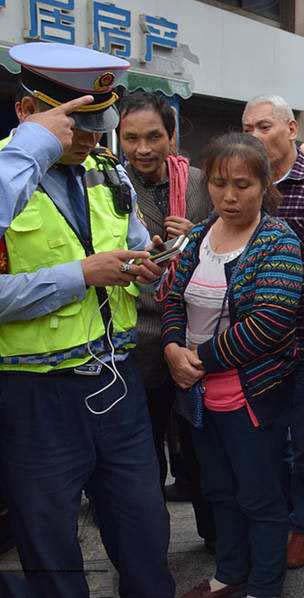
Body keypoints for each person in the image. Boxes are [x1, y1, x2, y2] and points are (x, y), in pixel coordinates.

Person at [0, 42, 174, 596]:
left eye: (100, 125)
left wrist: (144, 265)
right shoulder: (7, 175)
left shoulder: (106, 169)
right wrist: (81, 275)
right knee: (50, 546)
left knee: (145, 530)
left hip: (117, 381)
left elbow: (132, 242)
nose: (92, 139)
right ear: (28, 113)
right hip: (35, 394)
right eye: (77, 125)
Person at [163, 133, 303, 598]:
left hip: (250, 394)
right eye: (220, 183)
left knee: (259, 495)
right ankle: (229, 571)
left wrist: (197, 358)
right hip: (197, 394)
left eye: (242, 184)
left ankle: (264, 584)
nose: (228, 195)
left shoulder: (277, 241)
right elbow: (171, 298)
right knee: (219, 488)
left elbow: (270, 322)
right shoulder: (200, 233)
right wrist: (170, 348)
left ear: (264, 183)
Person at [117, 92, 216, 548]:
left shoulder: (201, 183)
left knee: (201, 452)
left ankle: (216, 540)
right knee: (142, 455)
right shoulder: (107, 185)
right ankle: (148, 547)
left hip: (194, 334)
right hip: (136, 337)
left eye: (153, 136)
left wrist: (195, 236)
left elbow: (233, 233)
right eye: (130, 137)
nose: (142, 149)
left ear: (172, 136)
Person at [242, 94, 304, 568]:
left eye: (264, 127)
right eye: (248, 128)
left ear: (292, 128)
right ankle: (274, 516)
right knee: (264, 438)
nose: (254, 137)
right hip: (256, 343)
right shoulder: (245, 185)